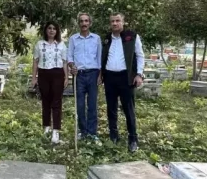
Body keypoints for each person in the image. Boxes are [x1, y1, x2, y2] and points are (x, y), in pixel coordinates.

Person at [101, 12, 145, 153]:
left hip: (126, 78)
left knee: (128, 109)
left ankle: (133, 139)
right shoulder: (107, 39)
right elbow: (103, 57)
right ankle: (114, 136)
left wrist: (139, 74)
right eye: (112, 21)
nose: (114, 23)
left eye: (117, 20)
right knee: (111, 109)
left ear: (123, 22)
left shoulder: (131, 37)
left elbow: (140, 55)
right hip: (109, 78)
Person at [31, 22, 68, 144]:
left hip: (58, 74)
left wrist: (66, 77)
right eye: (49, 28)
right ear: (46, 30)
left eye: (54, 29)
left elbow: (64, 62)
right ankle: (46, 128)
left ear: (57, 31)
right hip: (43, 74)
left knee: (56, 103)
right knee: (45, 102)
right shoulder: (39, 44)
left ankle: (56, 131)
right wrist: (34, 77)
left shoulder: (62, 45)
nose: (52, 30)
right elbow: (35, 61)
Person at [67, 13, 102, 143]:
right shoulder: (73, 39)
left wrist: (100, 75)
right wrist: (72, 66)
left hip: (93, 74)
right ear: (79, 23)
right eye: (81, 21)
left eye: (86, 21)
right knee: (80, 105)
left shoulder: (96, 39)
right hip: (79, 75)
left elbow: (99, 58)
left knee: (92, 105)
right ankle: (82, 131)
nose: (84, 23)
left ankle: (92, 133)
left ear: (90, 23)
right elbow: (69, 56)